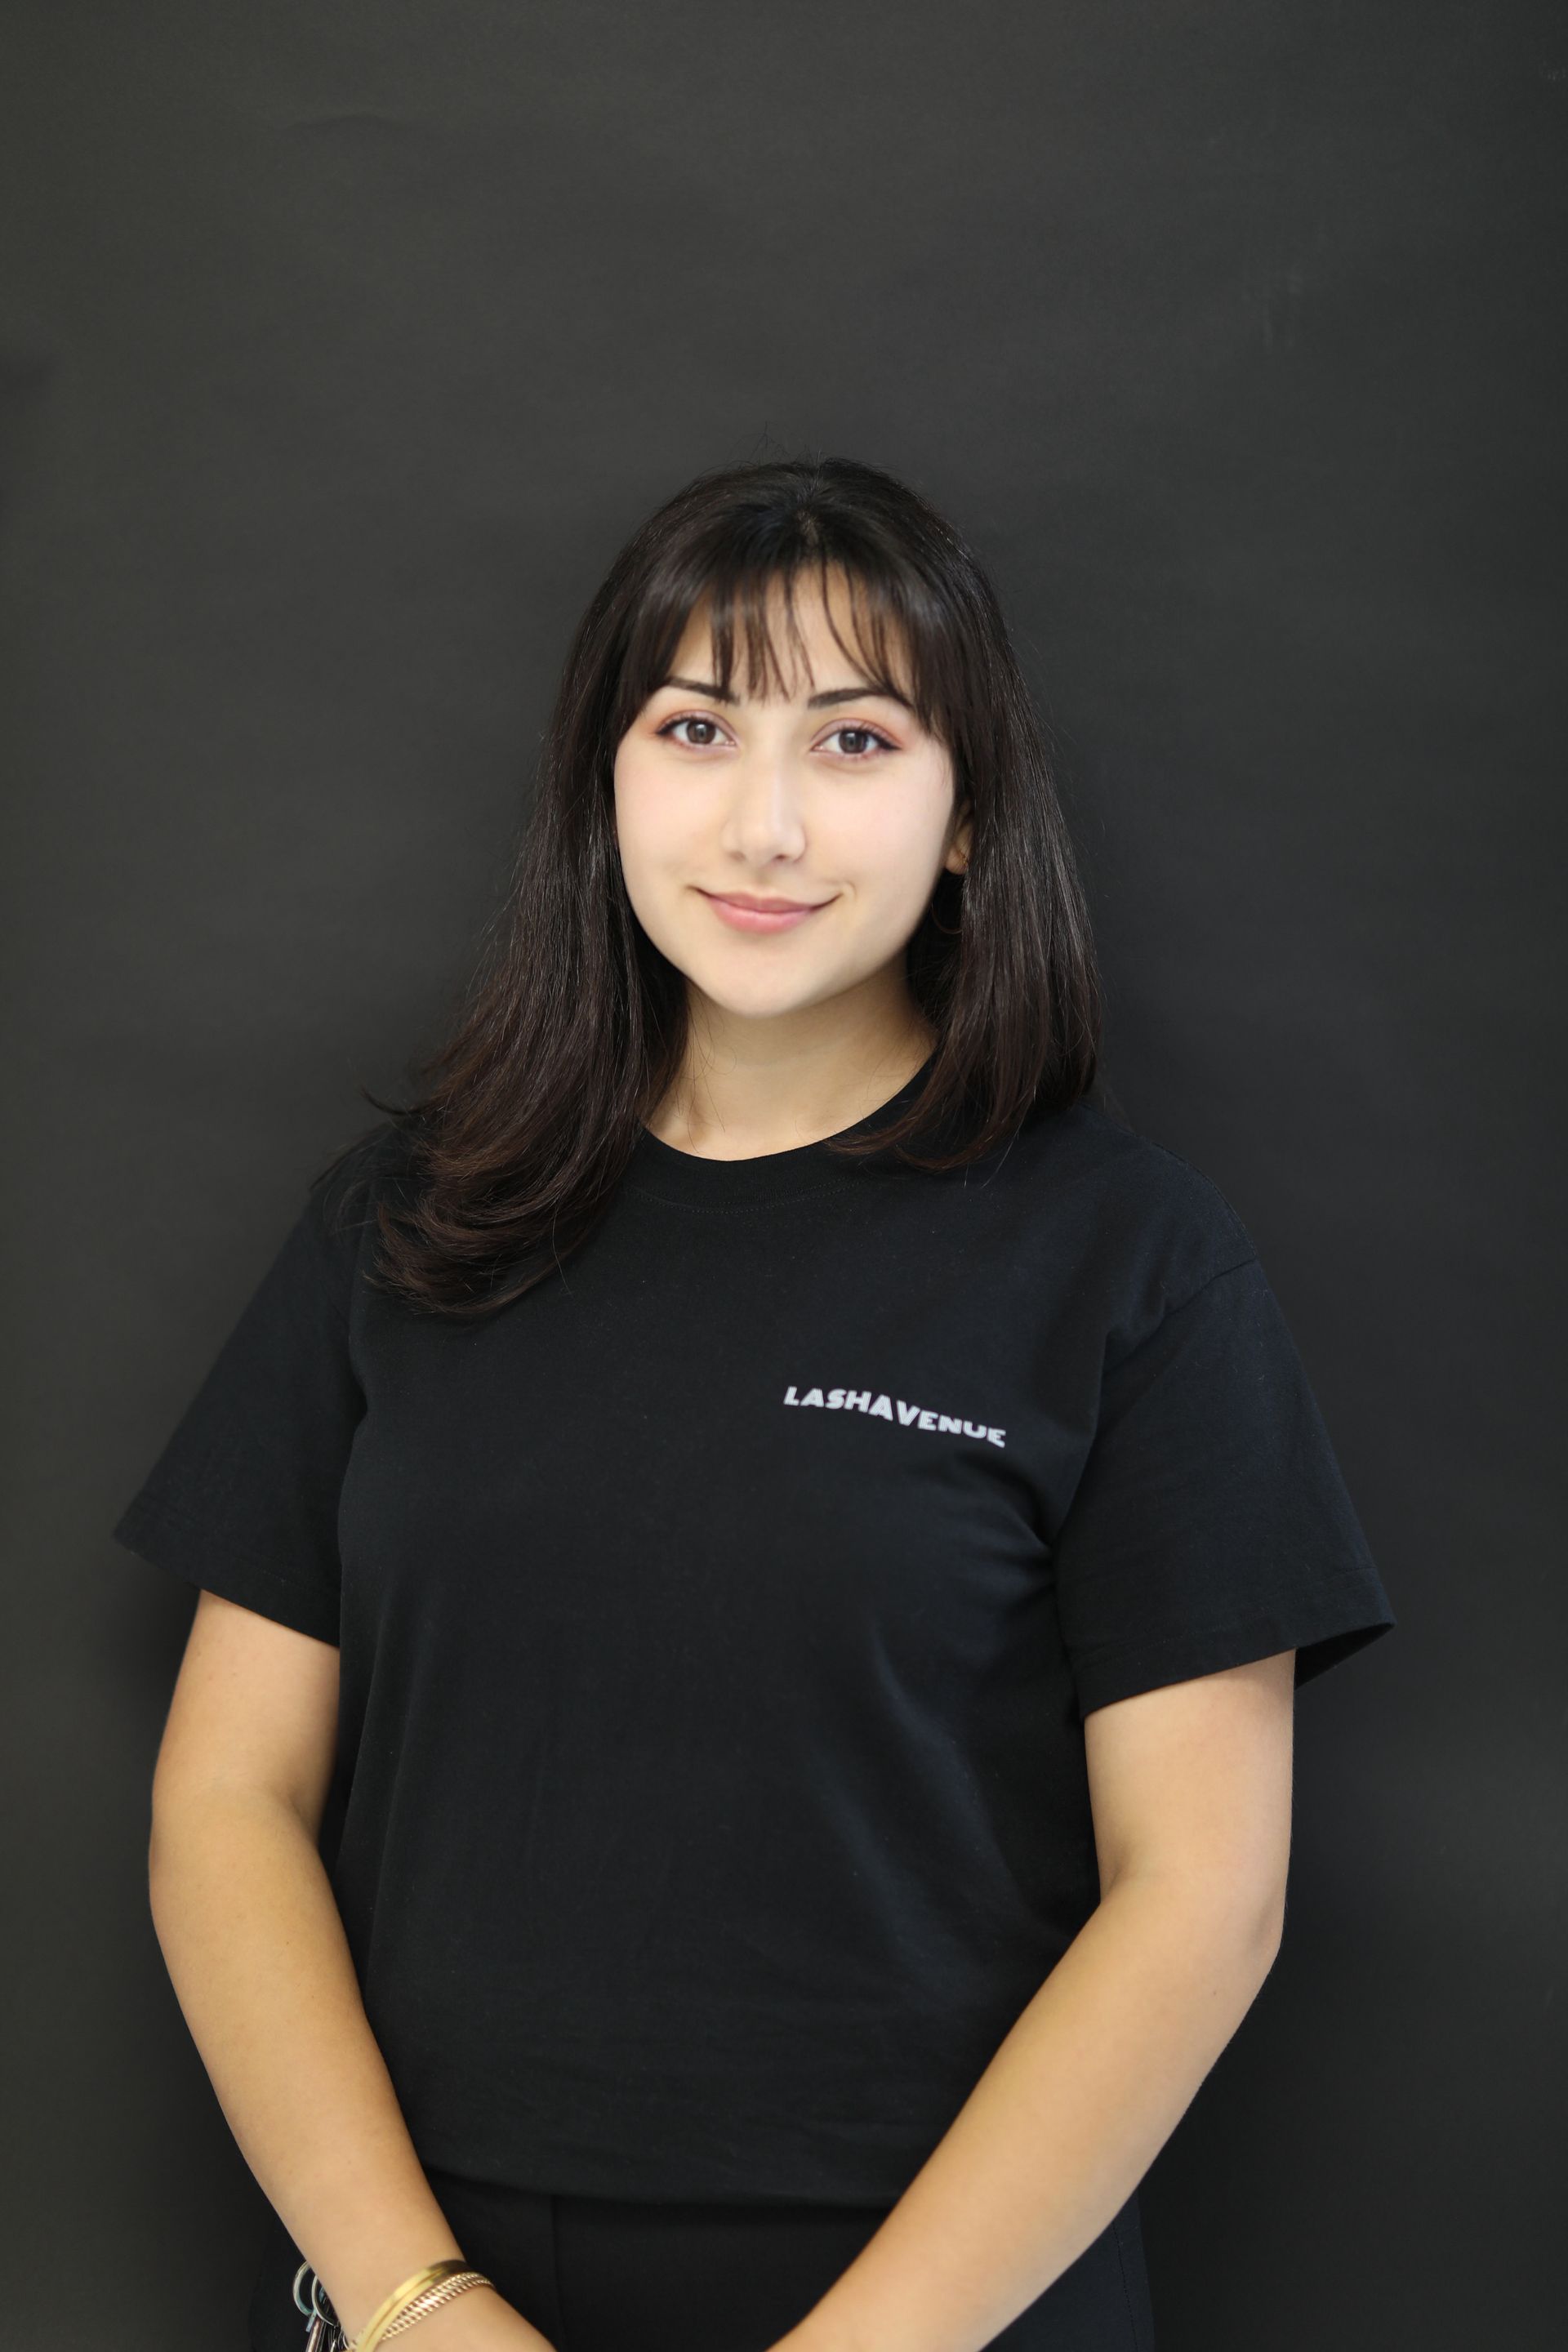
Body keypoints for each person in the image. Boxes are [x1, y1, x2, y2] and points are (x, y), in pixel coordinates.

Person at [112, 454, 1396, 2352]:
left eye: (859, 741)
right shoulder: (406, 1226)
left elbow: (1203, 1895)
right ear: (605, 781)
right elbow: (227, 1798)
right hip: (435, 2274)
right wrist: (408, 2302)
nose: (766, 822)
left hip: (946, 2289)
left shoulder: (1127, 1262)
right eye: (696, 725)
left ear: (969, 821)